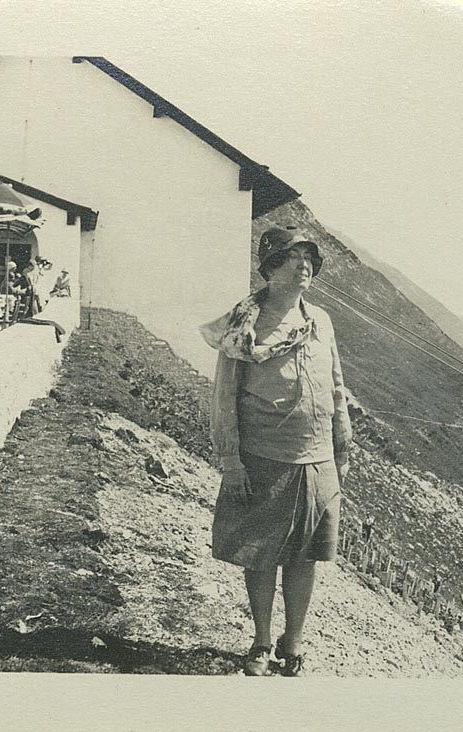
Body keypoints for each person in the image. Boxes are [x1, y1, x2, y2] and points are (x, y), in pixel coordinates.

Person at [200, 226, 352, 677]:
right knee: (261, 554)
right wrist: (231, 460)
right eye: (291, 257)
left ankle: (294, 642)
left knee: (306, 556)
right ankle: (262, 642)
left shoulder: (320, 320)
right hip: (264, 457)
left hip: (317, 458)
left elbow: (337, 387)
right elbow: (224, 396)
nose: (303, 265)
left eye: (308, 258)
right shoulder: (244, 325)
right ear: (269, 269)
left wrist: (341, 448)